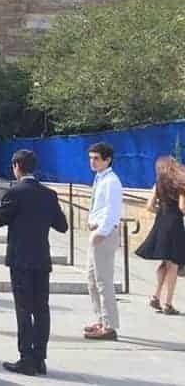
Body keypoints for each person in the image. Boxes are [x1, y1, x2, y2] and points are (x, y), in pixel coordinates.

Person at [0, 149, 68, 376]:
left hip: (20, 259)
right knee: (42, 308)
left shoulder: (15, 192)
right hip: (41, 258)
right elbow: (62, 226)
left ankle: (26, 357)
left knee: (24, 309)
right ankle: (40, 357)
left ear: (17, 166)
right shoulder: (49, 194)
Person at [135, 155, 185, 315]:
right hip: (175, 224)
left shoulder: (158, 184)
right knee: (174, 263)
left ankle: (155, 296)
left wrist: (162, 212)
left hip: (161, 223)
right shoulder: (180, 185)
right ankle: (168, 304)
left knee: (165, 262)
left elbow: (149, 206)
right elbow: (182, 207)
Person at [85, 141, 123, 341]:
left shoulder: (111, 181)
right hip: (96, 233)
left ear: (107, 159)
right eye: (90, 158)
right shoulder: (100, 179)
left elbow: (112, 209)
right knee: (92, 280)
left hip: (104, 235)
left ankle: (109, 326)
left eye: (96, 158)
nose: (92, 162)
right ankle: (101, 319)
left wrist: (102, 231)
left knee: (103, 281)